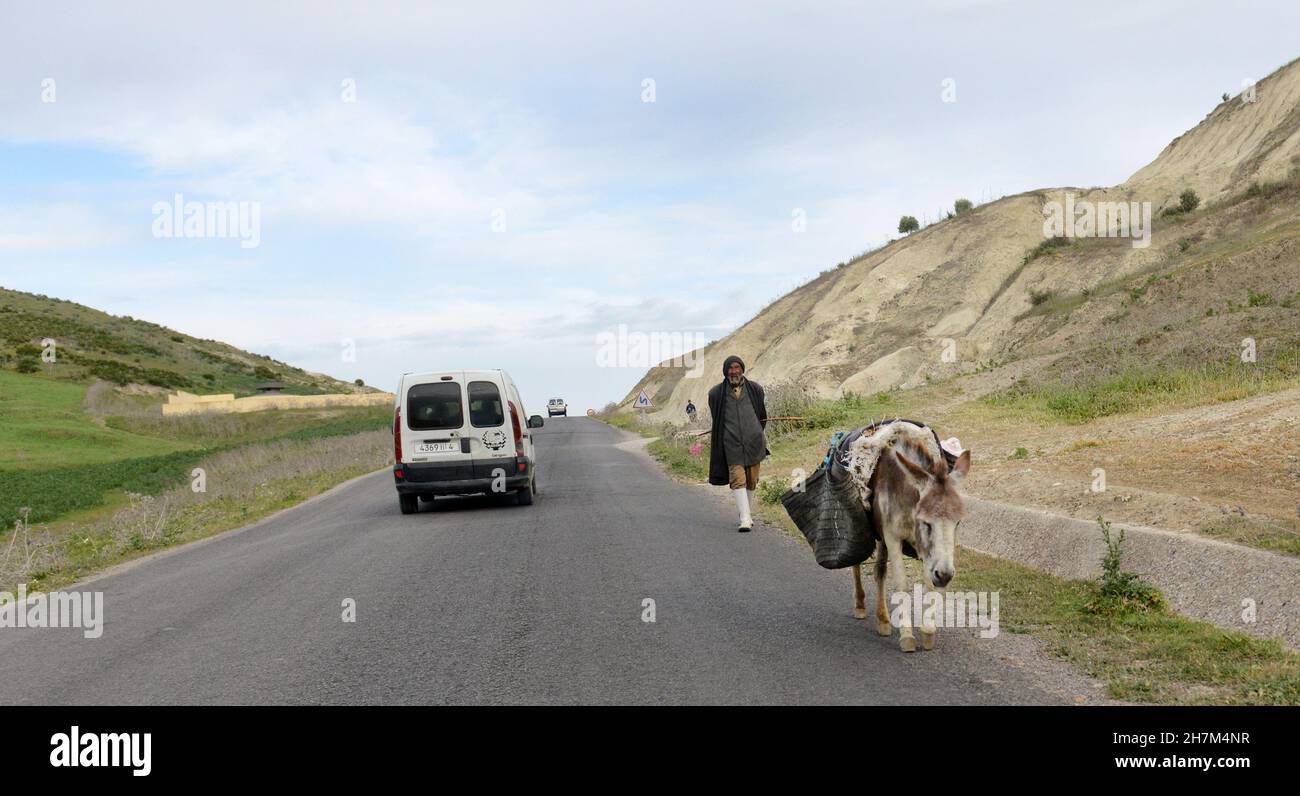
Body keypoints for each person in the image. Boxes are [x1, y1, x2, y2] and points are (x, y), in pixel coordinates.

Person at [707, 355, 767, 532]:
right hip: (731, 443)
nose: (734, 371)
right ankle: (745, 518)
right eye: (730, 368)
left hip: (754, 442)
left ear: (742, 369)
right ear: (725, 371)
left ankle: (747, 513)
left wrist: (756, 432)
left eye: (737, 367)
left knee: (751, 480)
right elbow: (717, 420)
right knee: (737, 479)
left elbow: (762, 416)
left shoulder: (756, 389)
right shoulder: (716, 394)